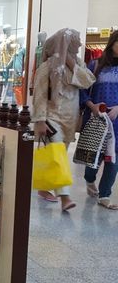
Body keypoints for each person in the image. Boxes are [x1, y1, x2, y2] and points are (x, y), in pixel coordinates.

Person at [32, 28, 96, 211]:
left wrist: (70, 62)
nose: (80, 44)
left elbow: (88, 81)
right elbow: (40, 94)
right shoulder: (47, 67)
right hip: (52, 118)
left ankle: (44, 189)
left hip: (70, 118)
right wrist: (40, 120)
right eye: (76, 40)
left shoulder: (78, 63)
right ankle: (65, 197)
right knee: (58, 155)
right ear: (66, 42)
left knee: (57, 156)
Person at [80, 31, 118, 210]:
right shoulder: (95, 65)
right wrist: (92, 107)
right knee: (93, 159)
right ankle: (89, 179)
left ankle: (104, 195)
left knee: (113, 158)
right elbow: (82, 91)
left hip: (117, 121)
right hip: (97, 119)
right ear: (112, 43)